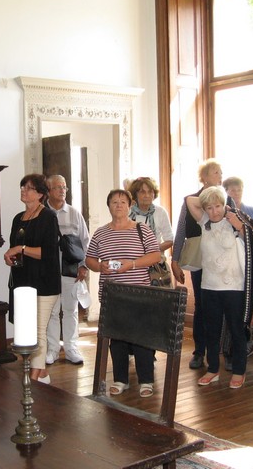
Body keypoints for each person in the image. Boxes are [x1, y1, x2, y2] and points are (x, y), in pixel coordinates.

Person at [85, 189, 162, 397]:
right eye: (114, 202)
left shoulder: (141, 229)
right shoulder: (101, 233)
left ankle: (146, 380)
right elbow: (89, 259)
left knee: (141, 338)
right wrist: (100, 266)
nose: (118, 205)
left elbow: (156, 255)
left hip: (139, 294)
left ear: (130, 206)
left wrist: (132, 264)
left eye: (122, 202)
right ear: (108, 206)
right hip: (112, 296)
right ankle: (120, 379)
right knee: (117, 339)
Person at [186, 186, 253, 389]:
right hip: (209, 285)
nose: (214, 211)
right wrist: (210, 196)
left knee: (236, 329)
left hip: (234, 286)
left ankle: (239, 371)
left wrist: (233, 217)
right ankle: (213, 369)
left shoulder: (236, 222)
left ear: (225, 205)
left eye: (218, 206)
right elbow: (189, 201)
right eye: (209, 208)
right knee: (211, 330)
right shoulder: (204, 222)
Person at [4, 174, 61, 384]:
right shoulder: (18, 218)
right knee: (26, 329)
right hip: (22, 281)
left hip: (44, 281)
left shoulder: (48, 217)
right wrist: (10, 256)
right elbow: (14, 247)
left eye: (28, 188)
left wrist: (21, 249)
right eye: (22, 187)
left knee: (38, 330)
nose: (23, 191)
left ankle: (34, 379)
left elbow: (48, 253)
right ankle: (42, 374)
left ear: (40, 194)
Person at [171, 159, 223, 369]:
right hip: (199, 258)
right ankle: (200, 351)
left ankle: (220, 351)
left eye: (221, 172)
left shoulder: (225, 200)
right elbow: (181, 230)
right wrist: (174, 260)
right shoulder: (191, 201)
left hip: (222, 261)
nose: (220, 175)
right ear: (204, 177)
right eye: (216, 172)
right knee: (201, 304)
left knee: (220, 304)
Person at [44, 175, 90, 366]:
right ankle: (53, 349)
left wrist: (84, 266)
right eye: (58, 187)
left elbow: (85, 241)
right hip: (48, 271)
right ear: (48, 191)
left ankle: (71, 348)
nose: (62, 190)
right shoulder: (41, 213)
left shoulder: (73, 213)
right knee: (52, 311)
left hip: (70, 269)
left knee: (70, 310)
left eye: (64, 187)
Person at [127, 177, 174, 253]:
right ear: (135, 194)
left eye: (150, 192)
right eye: (142, 192)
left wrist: (152, 250)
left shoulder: (160, 212)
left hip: (155, 256)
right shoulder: (127, 212)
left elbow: (169, 240)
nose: (147, 195)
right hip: (131, 256)